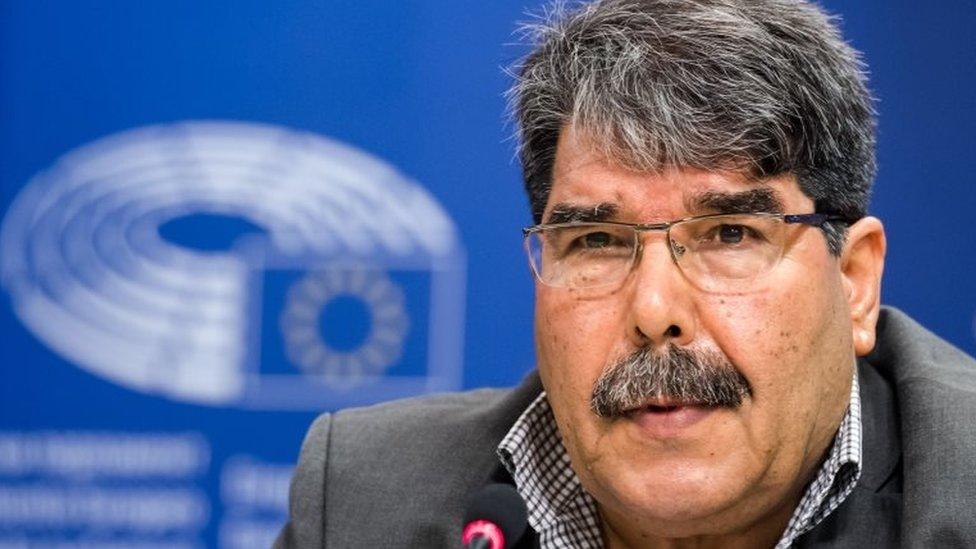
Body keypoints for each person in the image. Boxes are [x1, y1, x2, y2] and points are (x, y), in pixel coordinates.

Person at [275, 1, 976, 547]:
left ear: (854, 281)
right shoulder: (369, 501)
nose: (653, 308)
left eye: (729, 233)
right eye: (599, 241)